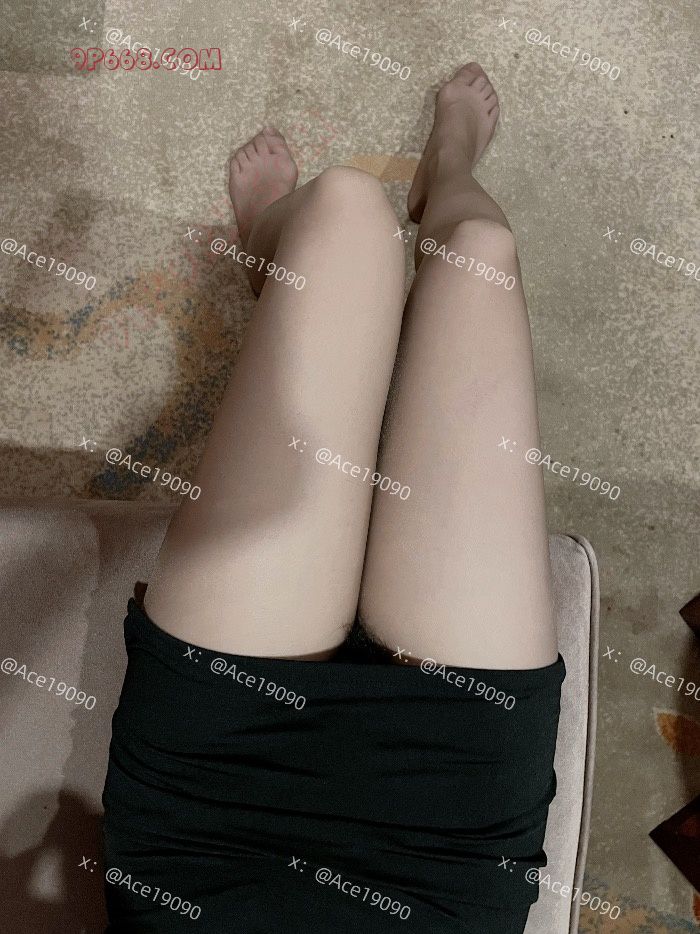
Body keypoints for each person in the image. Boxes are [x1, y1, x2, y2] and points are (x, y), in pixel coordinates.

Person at [102, 62, 565, 933]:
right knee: (478, 256)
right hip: (444, 843)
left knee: (346, 213)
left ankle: (268, 237)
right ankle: (450, 170)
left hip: (210, 815)